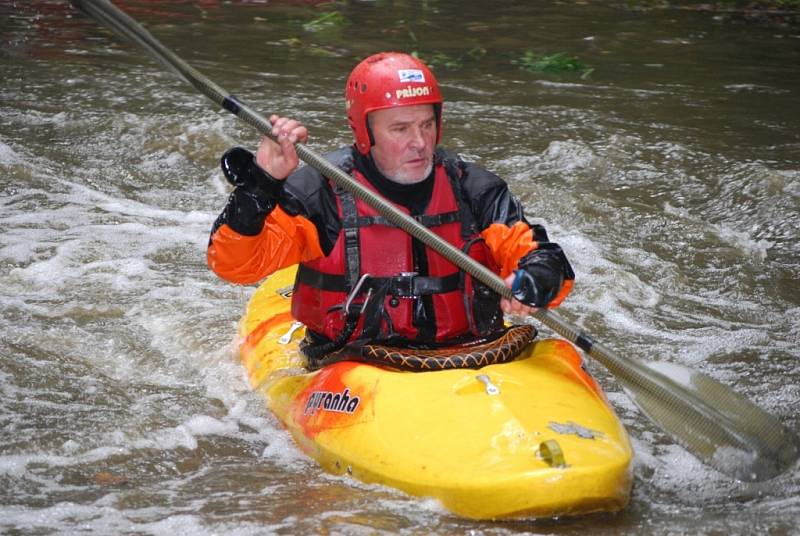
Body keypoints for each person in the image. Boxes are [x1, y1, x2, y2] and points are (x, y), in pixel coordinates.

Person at [207, 52, 574, 362]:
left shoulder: (474, 188)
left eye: (427, 124)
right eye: (400, 129)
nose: (419, 142)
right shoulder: (321, 190)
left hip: (473, 352)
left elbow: (542, 258)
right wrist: (262, 183)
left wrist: (537, 278)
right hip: (354, 360)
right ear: (363, 132)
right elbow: (235, 265)